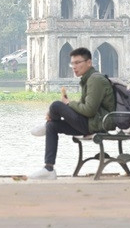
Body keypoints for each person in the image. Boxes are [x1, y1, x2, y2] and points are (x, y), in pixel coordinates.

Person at [28, 47, 116, 180]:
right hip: (90, 122)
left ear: (89, 63)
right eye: (72, 63)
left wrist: (68, 103)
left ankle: (49, 122)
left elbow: (89, 110)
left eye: (78, 62)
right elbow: (84, 107)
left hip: (96, 124)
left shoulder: (95, 80)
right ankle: (49, 169)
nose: (74, 67)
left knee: (56, 105)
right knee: (53, 126)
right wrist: (69, 105)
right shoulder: (87, 80)